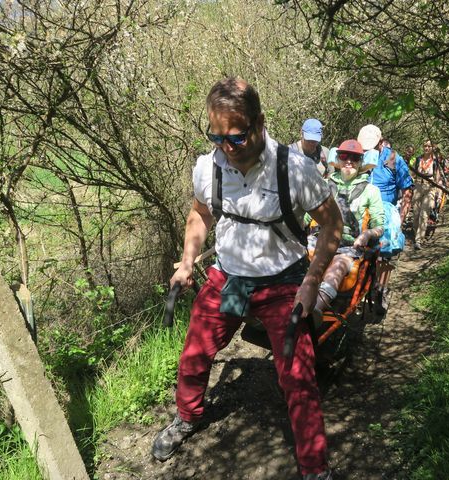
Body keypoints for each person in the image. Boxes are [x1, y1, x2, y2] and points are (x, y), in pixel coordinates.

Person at [151, 77, 342, 480]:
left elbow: (332, 225)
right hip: (228, 278)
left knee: (298, 378)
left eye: (235, 137)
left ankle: (314, 468)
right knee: (194, 355)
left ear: (259, 123)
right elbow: (200, 215)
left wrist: (310, 282)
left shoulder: (296, 170)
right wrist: (187, 261)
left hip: (282, 283)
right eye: (216, 136)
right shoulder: (209, 166)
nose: (225, 147)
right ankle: (188, 417)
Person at [309, 139, 384, 317]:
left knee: (338, 267)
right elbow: (306, 216)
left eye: (355, 157)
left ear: (361, 162)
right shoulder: (325, 185)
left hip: (349, 247)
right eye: (344, 156)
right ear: (338, 159)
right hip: (319, 240)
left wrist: (367, 234)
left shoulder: (371, 191)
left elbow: (379, 226)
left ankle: (314, 312)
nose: (349, 161)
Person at [357, 125, 413, 315]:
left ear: (381, 142)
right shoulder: (358, 155)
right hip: (361, 210)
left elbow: (407, 190)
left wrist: (401, 218)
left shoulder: (394, 159)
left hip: (386, 211)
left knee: (384, 252)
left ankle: (381, 289)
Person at [412, 140, 441, 249]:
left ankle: (418, 240)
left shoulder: (435, 161)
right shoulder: (418, 159)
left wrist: (438, 190)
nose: (427, 148)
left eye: (429, 146)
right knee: (415, 214)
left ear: (432, 148)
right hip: (418, 186)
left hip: (430, 188)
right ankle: (416, 235)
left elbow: (437, 176)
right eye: (425, 146)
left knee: (424, 214)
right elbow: (413, 174)